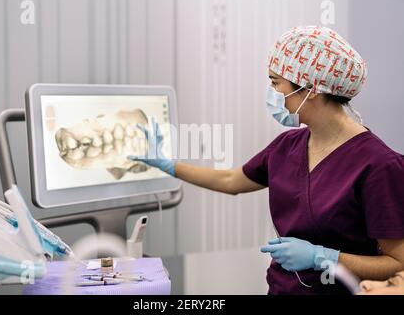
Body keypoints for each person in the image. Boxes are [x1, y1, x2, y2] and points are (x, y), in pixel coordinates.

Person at [128, 26, 404, 295]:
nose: (270, 92)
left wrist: (324, 257)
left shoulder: (379, 166)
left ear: (311, 87)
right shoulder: (288, 146)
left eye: (275, 82)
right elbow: (231, 180)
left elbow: (398, 264)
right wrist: (168, 165)